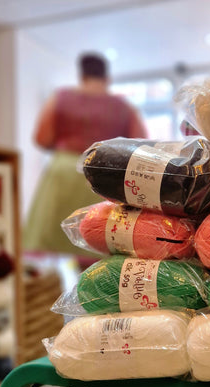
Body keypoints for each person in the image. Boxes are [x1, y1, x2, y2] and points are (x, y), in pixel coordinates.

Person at [23, 52, 148, 259]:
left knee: (52, 246)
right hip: (103, 175)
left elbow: (42, 138)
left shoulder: (61, 98)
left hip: (64, 172)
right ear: (106, 78)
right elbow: (140, 144)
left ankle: (52, 290)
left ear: (81, 75)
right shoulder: (124, 108)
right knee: (98, 239)